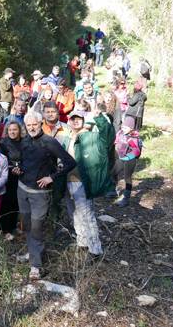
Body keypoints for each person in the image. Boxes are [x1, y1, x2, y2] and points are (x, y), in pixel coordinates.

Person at [19, 111, 76, 280]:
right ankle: (33, 253)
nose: (31, 128)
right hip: (22, 189)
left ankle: (36, 266)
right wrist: (18, 168)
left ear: (40, 123)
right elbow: (23, 162)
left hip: (40, 194)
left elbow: (70, 162)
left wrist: (51, 177)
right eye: (28, 125)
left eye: (34, 125)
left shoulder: (50, 142)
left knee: (37, 227)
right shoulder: (25, 141)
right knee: (27, 225)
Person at [60, 111, 113, 259]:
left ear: (83, 121)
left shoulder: (92, 136)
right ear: (69, 121)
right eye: (72, 119)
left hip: (82, 182)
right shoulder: (67, 137)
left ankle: (95, 250)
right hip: (68, 182)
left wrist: (99, 118)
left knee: (87, 215)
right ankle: (82, 243)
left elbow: (108, 136)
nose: (75, 121)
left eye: (78, 119)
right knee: (74, 214)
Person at [0, 122, 23, 240]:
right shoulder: (3, 143)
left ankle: (13, 226)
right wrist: (12, 168)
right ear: (7, 131)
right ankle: (5, 229)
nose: (12, 132)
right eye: (10, 130)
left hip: (21, 175)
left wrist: (21, 168)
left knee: (16, 202)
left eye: (15, 129)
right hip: (7, 176)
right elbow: (2, 160)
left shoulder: (25, 142)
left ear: (19, 130)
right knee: (6, 203)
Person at [112, 117, 141, 207]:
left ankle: (126, 199)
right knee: (113, 172)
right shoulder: (120, 133)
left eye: (126, 127)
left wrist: (128, 157)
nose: (123, 129)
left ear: (131, 128)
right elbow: (116, 142)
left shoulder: (133, 138)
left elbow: (136, 151)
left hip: (130, 159)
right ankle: (113, 191)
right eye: (122, 127)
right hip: (121, 157)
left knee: (127, 178)